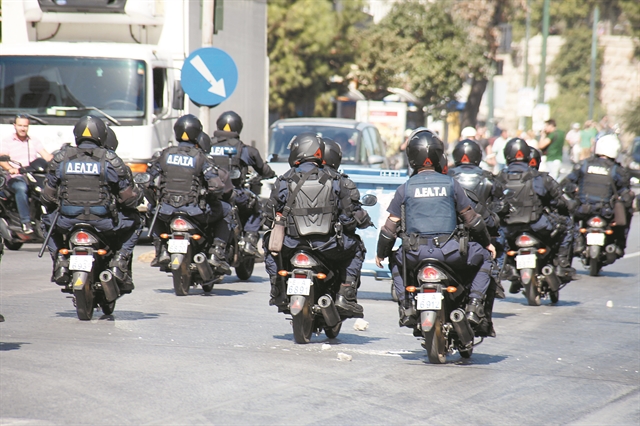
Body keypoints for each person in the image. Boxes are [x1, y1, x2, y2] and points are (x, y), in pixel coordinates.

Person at [374, 130, 496, 333]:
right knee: (485, 257)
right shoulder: (451, 184)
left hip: (415, 255)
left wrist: (381, 253)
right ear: (440, 156)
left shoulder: (405, 188)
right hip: (451, 253)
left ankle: (406, 306)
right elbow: (472, 220)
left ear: (412, 157)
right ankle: (474, 305)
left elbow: (389, 228)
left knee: (395, 260)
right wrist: (487, 243)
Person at [263, 133, 369, 318]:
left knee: (267, 243)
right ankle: (345, 295)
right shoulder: (337, 180)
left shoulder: (284, 180)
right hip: (327, 245)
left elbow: (268, 215)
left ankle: (277, 287)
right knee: (357, 248)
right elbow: (349, 218)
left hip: (292, 244)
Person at [40, 115, 143, 293]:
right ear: (102, 134)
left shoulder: (61, 158)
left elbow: (47, 196)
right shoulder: (110, 159)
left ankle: (59, 261)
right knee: (137, 221)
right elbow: (128, 198)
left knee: (46, 221)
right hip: (103, 222)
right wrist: (136, 197)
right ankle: (120, 260)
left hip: (67, 221)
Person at [147, 114, 233, 275]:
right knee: (227, 209)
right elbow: (216, 185)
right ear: (197, 133)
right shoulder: (201, 157)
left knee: (152, 209)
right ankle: (216, 253)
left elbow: (147, 179)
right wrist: (210, 196)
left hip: (166, 210)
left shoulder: (164, 154)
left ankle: (161, 250)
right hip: (195, 211)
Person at [494, 138, 575, 293]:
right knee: (568, 226)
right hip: (537, 225)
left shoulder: (498, 178)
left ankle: (503, 268)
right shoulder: (539, 178)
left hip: (508, 229)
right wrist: (568, 206)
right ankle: (562, 264)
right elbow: (559, 201)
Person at [209, 111, 276, 256]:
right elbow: (263, 169)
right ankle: (250, 241)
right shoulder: (244, 150)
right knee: (256, 205)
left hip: (210, 193)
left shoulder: (207, 146)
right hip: (233, 193)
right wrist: (270, 173)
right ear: (238, 127)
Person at [560, 134, 635, 257]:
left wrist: (574, 192)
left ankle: (574, 244)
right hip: (607, 212)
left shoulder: (584, 164)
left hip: (583, 209)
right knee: (627, 211)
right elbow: (625, 192)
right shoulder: (617, 170)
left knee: (568, 217)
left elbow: (566, 183)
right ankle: (620, 244)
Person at [0, 114, 53, 234]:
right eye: (20, 125)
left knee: (48, 188)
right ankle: (25, 222)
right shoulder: (7, 141)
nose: (23, 128)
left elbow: (46, 156)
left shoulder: (33, 140)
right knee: (21, 188)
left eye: (25, 126)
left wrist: (59, 159)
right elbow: (2, 159)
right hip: (16, 177)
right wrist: (10, 169)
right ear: (14, 126)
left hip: (33, 175)